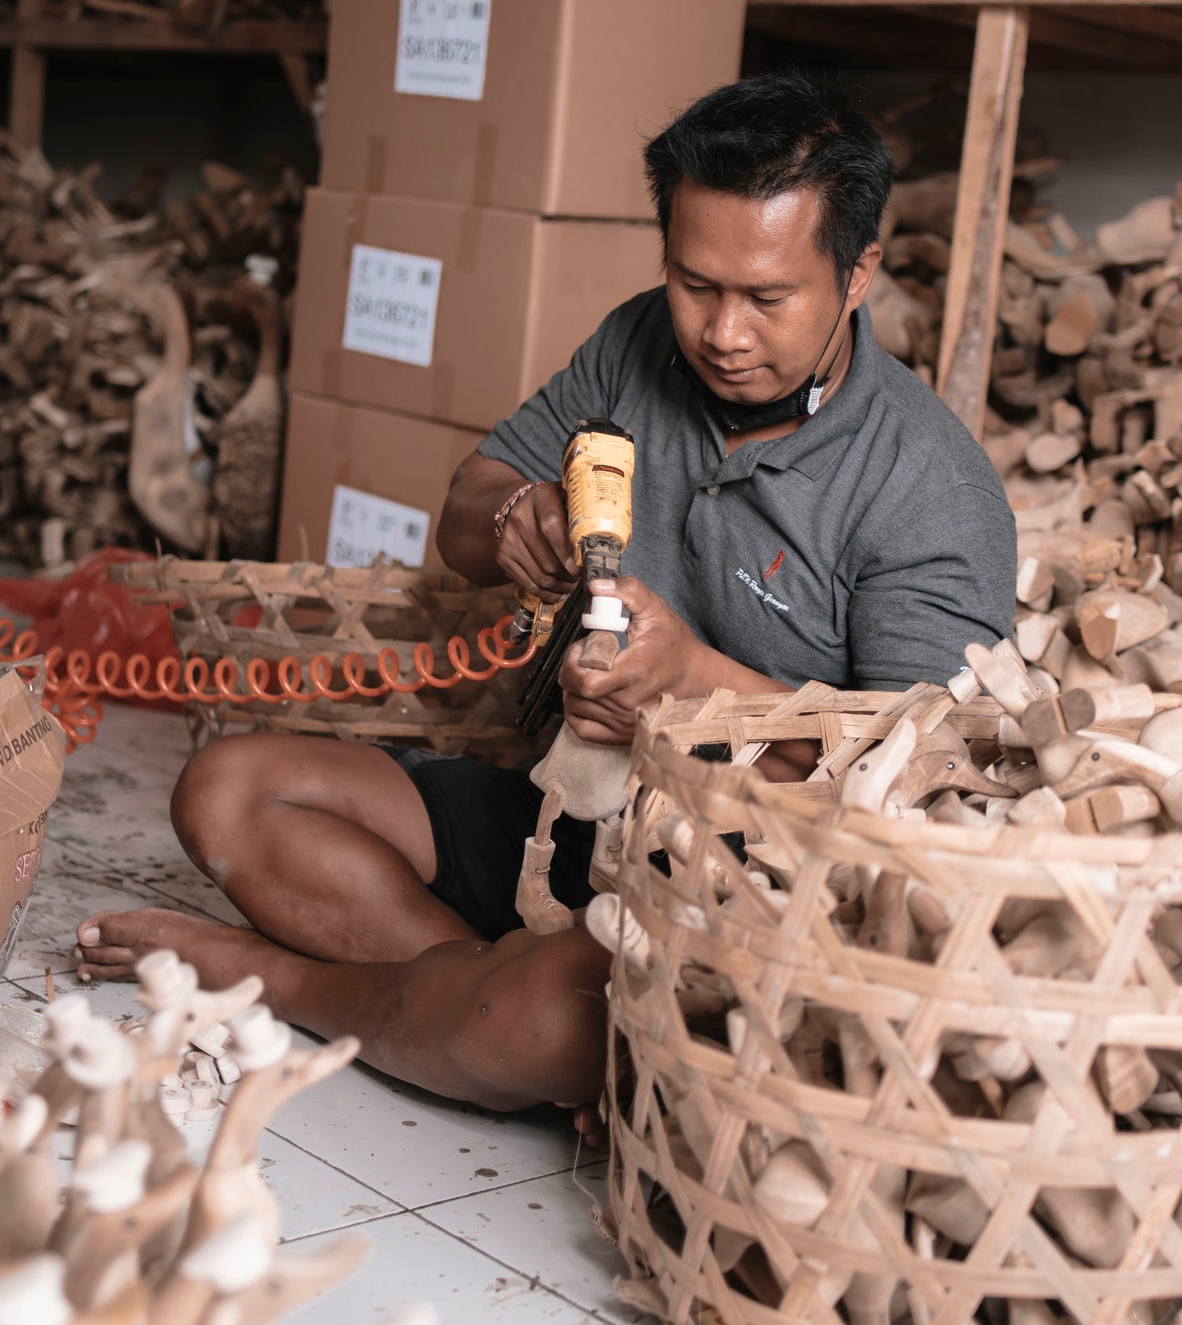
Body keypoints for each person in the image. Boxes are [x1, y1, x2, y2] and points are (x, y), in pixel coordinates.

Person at [74, 75, 1016, 1128]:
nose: (722, 333)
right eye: (694, 283)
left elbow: (927, 788)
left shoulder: (929, 487)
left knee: (533, 1020)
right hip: (562, 810)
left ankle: (280, 977)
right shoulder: (634, 346)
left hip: (731, 883)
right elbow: (463, 517)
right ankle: (459, 995)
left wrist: (695, 686)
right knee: (227, 790)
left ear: (857, 275)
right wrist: (518, 511)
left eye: (766, 298)